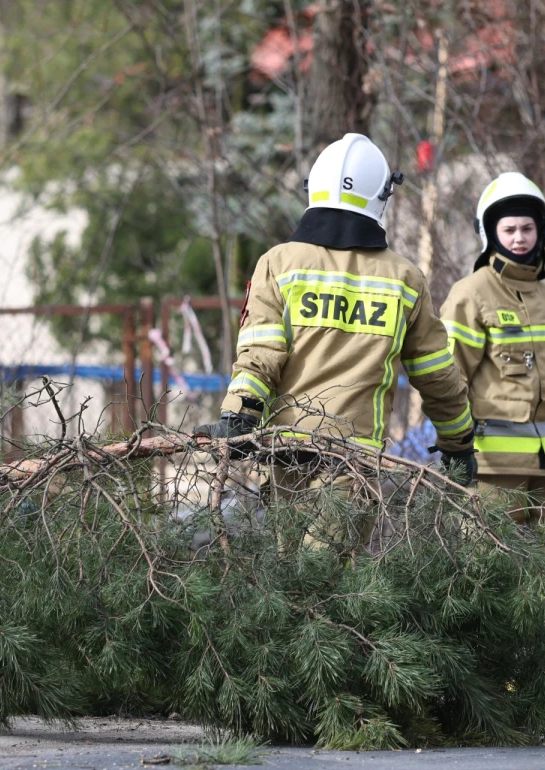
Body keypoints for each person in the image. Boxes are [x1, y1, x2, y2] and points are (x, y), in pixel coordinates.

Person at [194, 133, 477, 550]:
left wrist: (238, 419)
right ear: (382, 195)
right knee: (323, 580)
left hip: (284, 452)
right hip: (355, 461)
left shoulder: (278, 263)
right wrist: (458, 445)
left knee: (285, 577)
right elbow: (436, 375)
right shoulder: (404, 279)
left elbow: (259, 356)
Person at [438, 172, 545, 577]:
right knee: (487, 573)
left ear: (540, 230)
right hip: (493, 465)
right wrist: (454, 447)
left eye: (527, 228)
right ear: (490, 233)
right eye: (508, 228)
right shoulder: (471, 293)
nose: (519, 237)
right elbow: (447, 376)